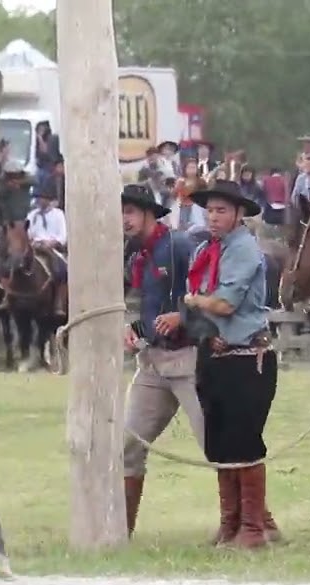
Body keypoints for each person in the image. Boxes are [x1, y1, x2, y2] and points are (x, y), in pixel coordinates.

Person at [183, 179, 283, 550]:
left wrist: (195, 301)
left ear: (239, 214)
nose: (212, 217)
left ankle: (253, 528)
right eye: (209, 210)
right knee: (219, 443)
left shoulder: (244, 250)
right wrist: (202, 323)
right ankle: (231, 523)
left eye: (221, 210)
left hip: (247, 358)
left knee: (244, 441)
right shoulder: (205, 250)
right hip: (216, 356)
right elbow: (203, 309)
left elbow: (224, 304)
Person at [119, 185, 200, 537]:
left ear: (149, 213)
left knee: (217, 444)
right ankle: (120, 529)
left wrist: (183, 316)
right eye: (121, 213)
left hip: (188, 358)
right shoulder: (136, 255)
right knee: (128, 444)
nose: (124, 220)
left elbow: (210, 288)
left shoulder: (180, 245)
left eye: (130, 212)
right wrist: (134, 330)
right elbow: (150, 311)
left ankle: (250, 524)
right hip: (152, 362)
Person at [26, 185, 67, 252]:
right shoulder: (32, 215)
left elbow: (63, 236)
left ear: (47, 199)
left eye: (41, 198)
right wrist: (36, 243)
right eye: (37, 198)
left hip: (55, 249)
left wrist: (52, 243)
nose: (38, 200)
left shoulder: (58, 214)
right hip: (36, 249)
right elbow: (28, 234)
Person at [0, 160, 32, 227]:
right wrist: (9, 187)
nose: (13, 175)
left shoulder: (26, 177)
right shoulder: (3, 180)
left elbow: (34, 180)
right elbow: (0, 192)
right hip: (9, 210)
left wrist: (19, 182)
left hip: (23, 208)